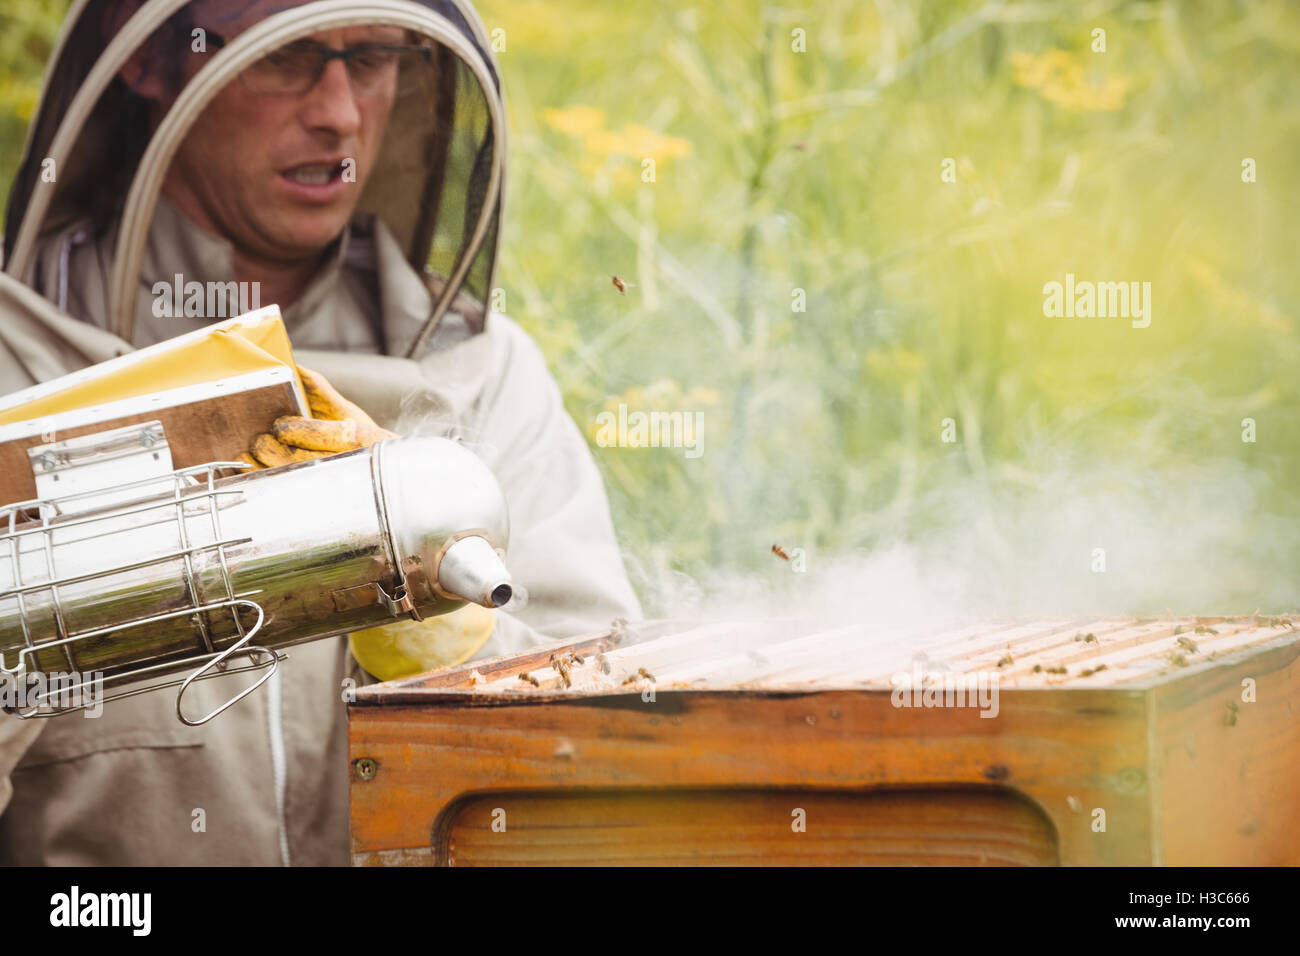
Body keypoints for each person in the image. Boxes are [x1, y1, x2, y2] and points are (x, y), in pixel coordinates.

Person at [0, 0, 641, 864]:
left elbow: (600, 731)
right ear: (149, 59)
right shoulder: (19, 360)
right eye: (284, 56)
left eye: (372, 57)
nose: (338, 111)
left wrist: (429, 611)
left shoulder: (481, 376)